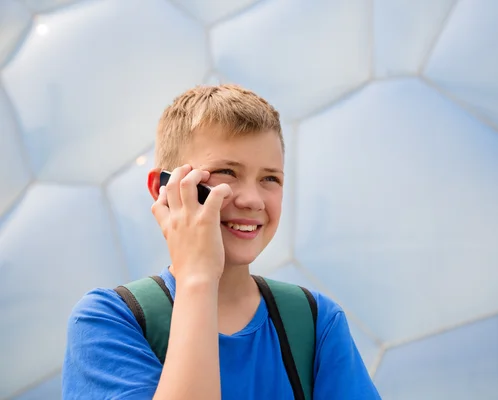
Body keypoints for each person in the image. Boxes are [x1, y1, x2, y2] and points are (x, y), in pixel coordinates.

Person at [61, 84, 381, 399]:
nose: (252, 199)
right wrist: (198, 277)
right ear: (163, 188)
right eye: (226, 172)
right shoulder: (107, 321)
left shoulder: (316, 322)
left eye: (270, 178)